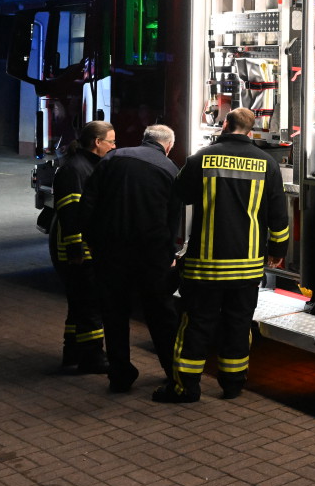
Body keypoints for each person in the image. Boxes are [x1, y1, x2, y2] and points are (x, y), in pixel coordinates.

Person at [154, 108, 289, 403]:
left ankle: (185, 387)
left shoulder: (201, 158)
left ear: (225, 124)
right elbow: (279, 214)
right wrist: (278, 251)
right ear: (251, 130)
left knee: (196, 324)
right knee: (238, 324)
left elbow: (180, 194)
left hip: (206, 265)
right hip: (247, 267)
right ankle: (232, 384)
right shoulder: (267, 163)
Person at [82, 124, 183, 394]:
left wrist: (92, 241)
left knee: (114, 314)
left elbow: (88, 202)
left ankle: (120, 374)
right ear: (168, 146)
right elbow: (172, 220)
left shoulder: (113, 158)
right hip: (150, 256)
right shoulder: (170, 169)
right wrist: (168, 254)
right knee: (160, 314)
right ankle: (173, 372)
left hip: (110, 252)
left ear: (144, 139)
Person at [49, 120, 115, 374]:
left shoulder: (86, 165)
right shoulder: (76, 170)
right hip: (79, 250)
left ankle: (73, 353)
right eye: (111, 141)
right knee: (90, 304)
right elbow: (71, 213)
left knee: (79, 304)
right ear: (97, 142)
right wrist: (76, 249)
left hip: (85, 247)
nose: (114, 146)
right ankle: (93, 357)